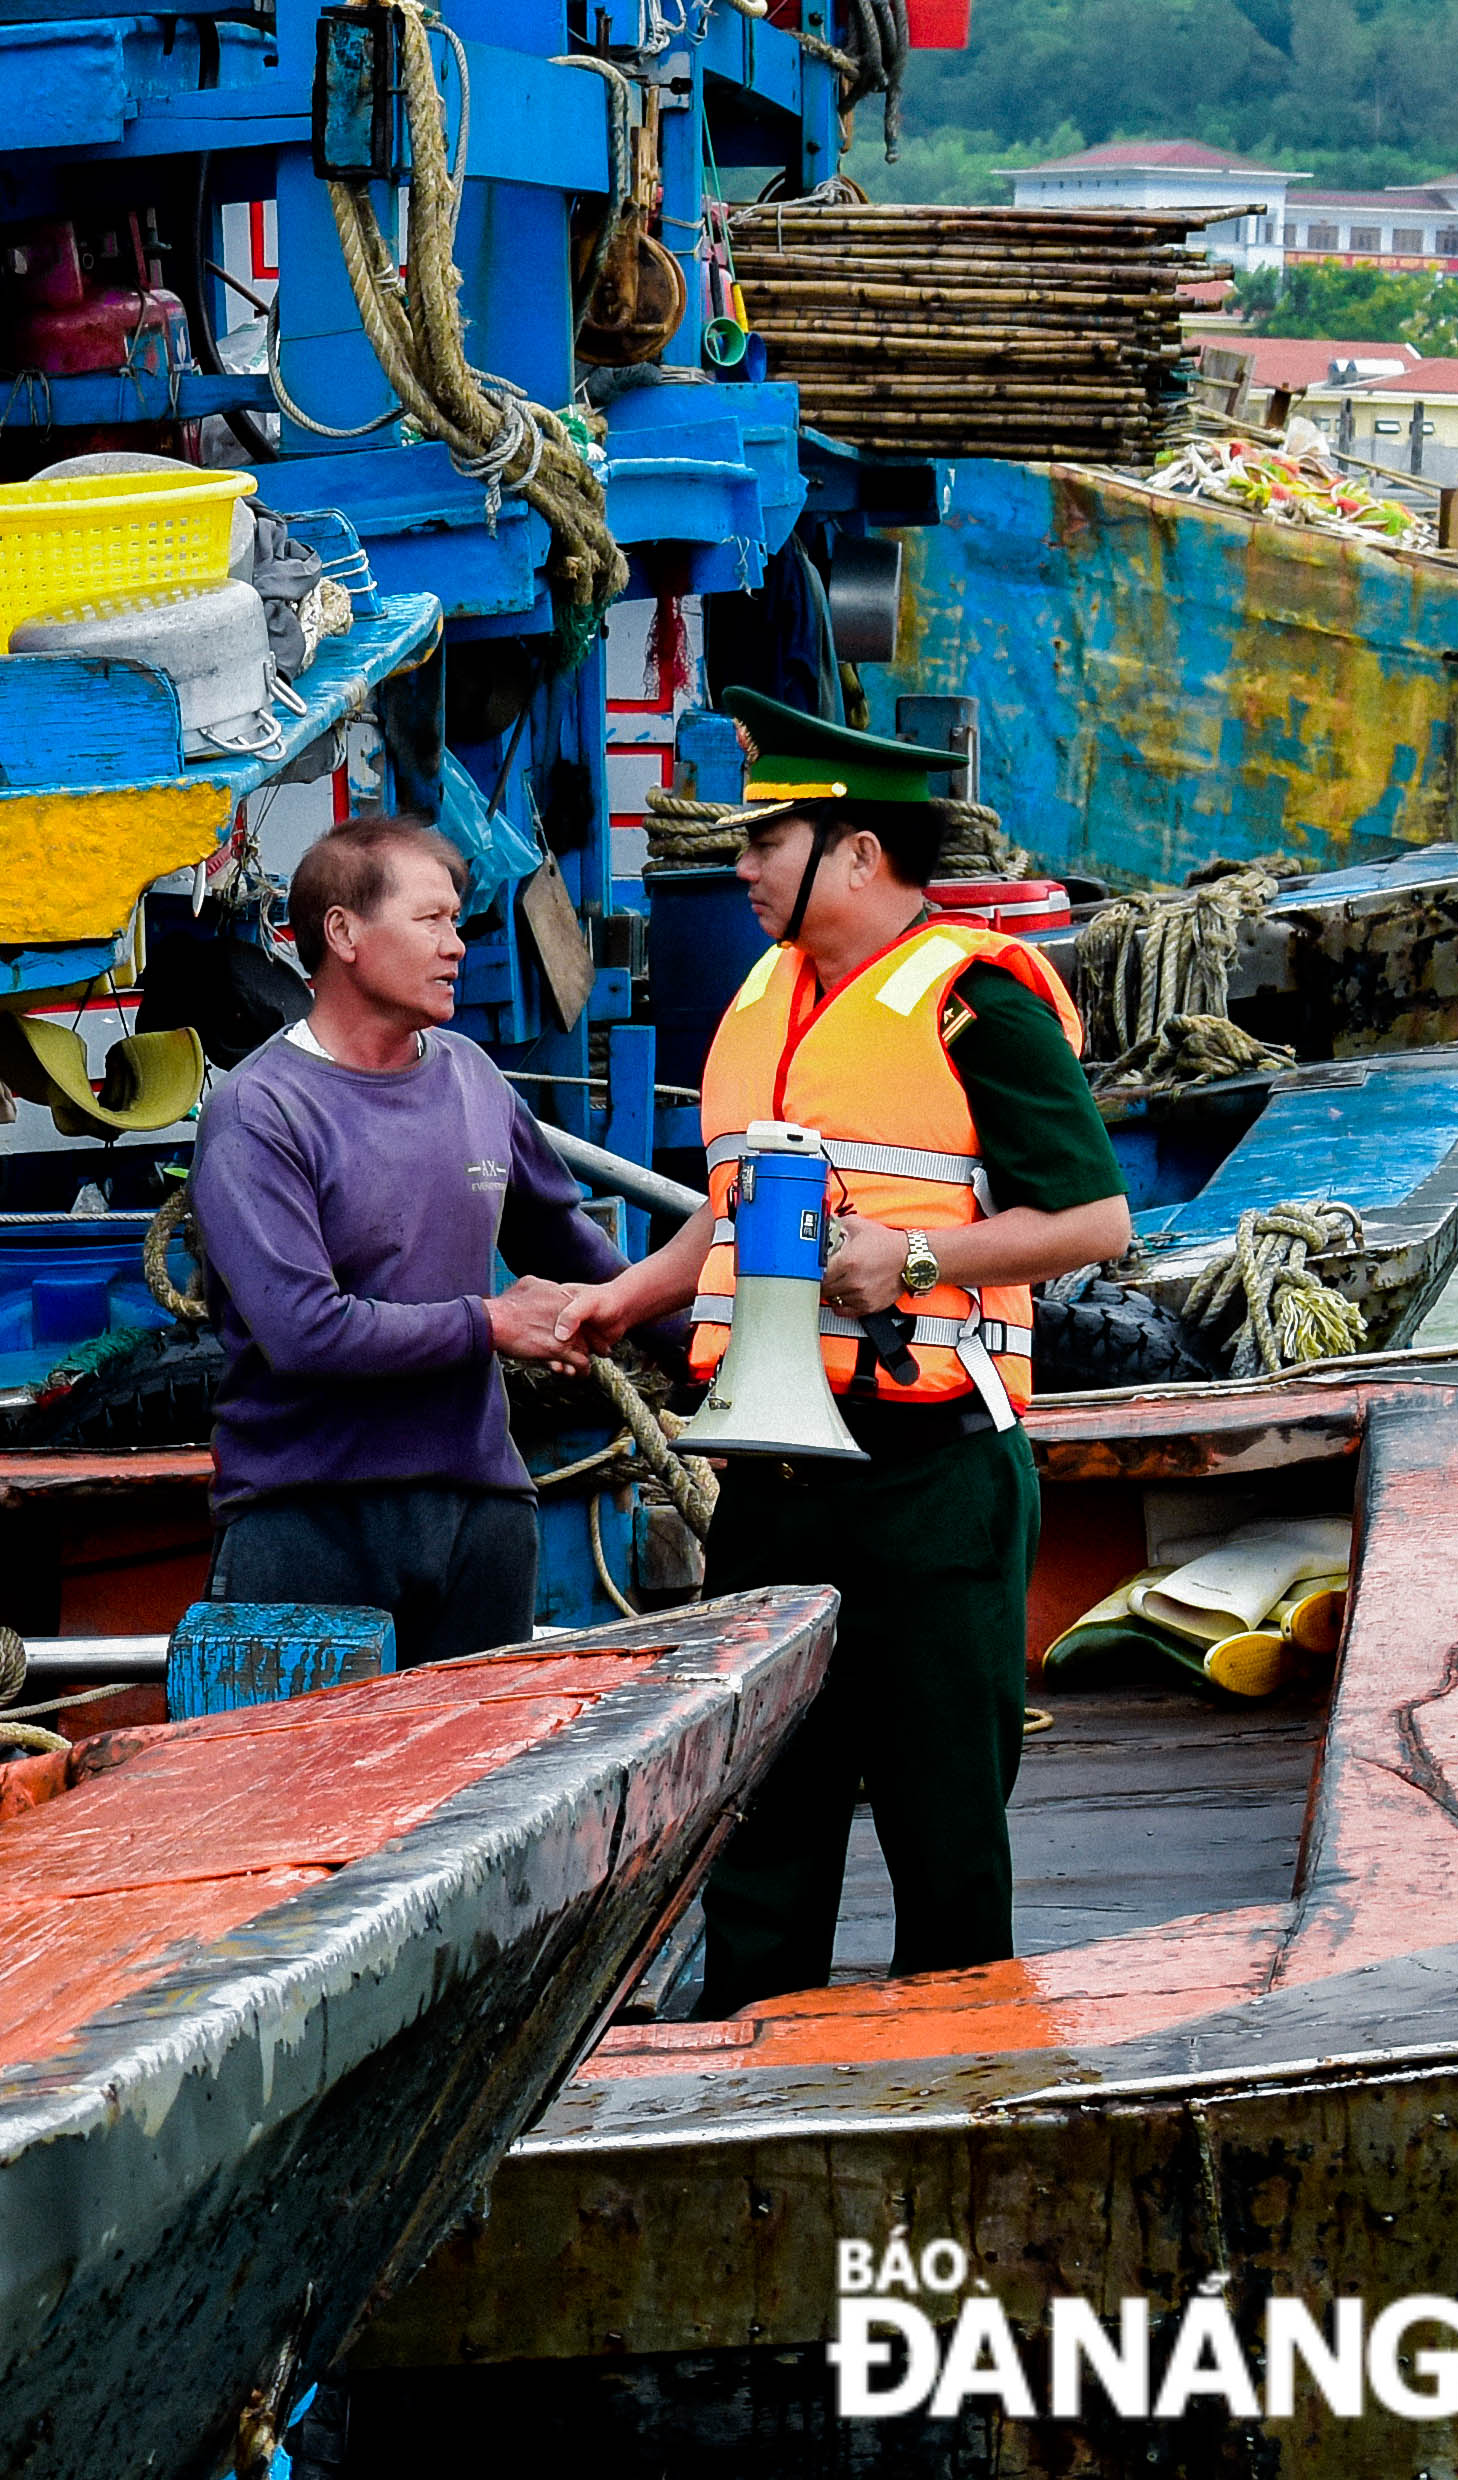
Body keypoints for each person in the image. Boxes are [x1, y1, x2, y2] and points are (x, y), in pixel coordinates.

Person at [562, 695, 1132, 2016]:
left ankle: (954, 2084)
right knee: (759, 1818)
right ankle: (745, 2078)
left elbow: (1095, 1218)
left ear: (860, 855)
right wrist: (617, 1300)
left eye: (768, 843)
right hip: (768, 1481)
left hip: (925, 1481)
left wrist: (916, 1264)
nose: (743, 867)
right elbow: (725, 1208)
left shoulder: (975, 1006)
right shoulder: (764, 998)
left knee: (942, 1831)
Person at [187, 814, 623, 1668]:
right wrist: (492, 1324)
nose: (457, 946)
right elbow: (305, 1332)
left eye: (455, 921)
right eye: (431, 921)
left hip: (481, 1517)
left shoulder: (471, 1076)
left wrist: (699, 1336)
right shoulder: (258, 1112)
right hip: (306, 1522)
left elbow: (566, 1243)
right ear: (343, 933)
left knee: (483, 1799)